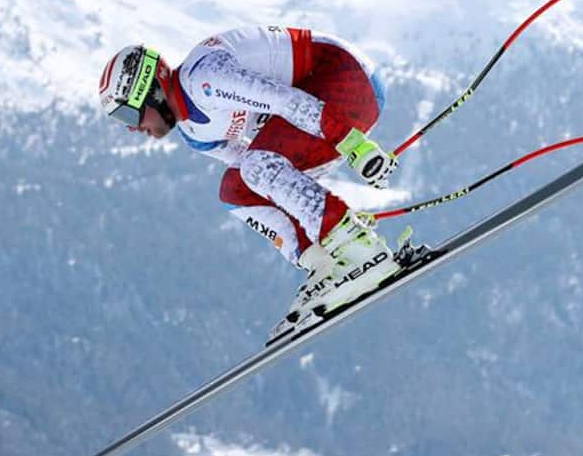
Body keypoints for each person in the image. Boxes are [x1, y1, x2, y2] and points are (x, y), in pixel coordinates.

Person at [98, 31, 410, 340]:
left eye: (127, 114)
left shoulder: (205, 76)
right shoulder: (195, 134)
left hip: (349, 79)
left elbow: (286, 101)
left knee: (257, 166)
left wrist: (354, 146)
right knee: (236, 189)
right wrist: (326, 221)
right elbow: (267, 176)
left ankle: (361, 251)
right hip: (324, 109)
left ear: (150, 90)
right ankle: (326, 263)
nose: (131, 128)